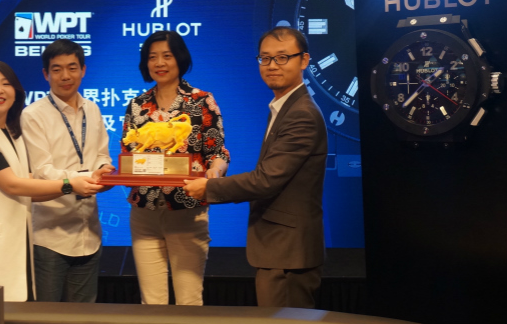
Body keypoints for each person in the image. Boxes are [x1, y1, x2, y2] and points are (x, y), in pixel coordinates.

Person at [183, 26, 328, 309]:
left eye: (282, 57)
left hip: (288, 252)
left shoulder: (302, 114)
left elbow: (266, 180)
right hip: (280, 249)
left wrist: (209, 188)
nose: (272, 65)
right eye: (265, 58)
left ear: (304, 60)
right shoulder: (284, 107)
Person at [0, 60, 102, 302]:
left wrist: (86, 179)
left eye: (5, 84)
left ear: (16, 92)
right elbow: (13, 184)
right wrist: (71, 184)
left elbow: (30, 183)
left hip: (15, 247)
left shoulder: (12, 134)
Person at [121, 30, 230, 306]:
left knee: (188, 304)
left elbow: (218, 153)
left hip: (187, 212)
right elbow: (128, 154)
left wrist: (214, 174)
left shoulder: (201, 101)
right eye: (152, 57)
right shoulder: (136, 105)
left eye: (167, 56)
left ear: (180, 58)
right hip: (144, 213)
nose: (159, 63)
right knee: (152, 305)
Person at [21, 40, 116, 302]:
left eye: (72, 68)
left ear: (83, 70)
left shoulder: (92, 109)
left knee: (83, 316)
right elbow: (42, 171)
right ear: (46, 74)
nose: (65, 76)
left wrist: (104, 171)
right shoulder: (33, 115)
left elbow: (101, 155)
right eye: (57, 69)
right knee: (46, 317)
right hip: (50, 236)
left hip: (89, 232)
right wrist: (84, 179)